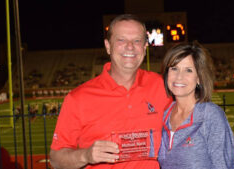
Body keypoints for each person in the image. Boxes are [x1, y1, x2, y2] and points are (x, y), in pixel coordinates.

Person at [49, 14, 170, 169]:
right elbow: (56, 159)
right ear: (108, 46)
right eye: (121, 40)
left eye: (137, 40)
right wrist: (86, 155)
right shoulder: (78, 98)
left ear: (145, 47)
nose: (130, 46)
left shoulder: (163, 87)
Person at [158, 42, 234, 169]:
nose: (179, 77)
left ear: (199, 78)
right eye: (174, 68)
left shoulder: (210, 115)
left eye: (188, 70)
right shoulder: (164, 116)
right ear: (167, 74)